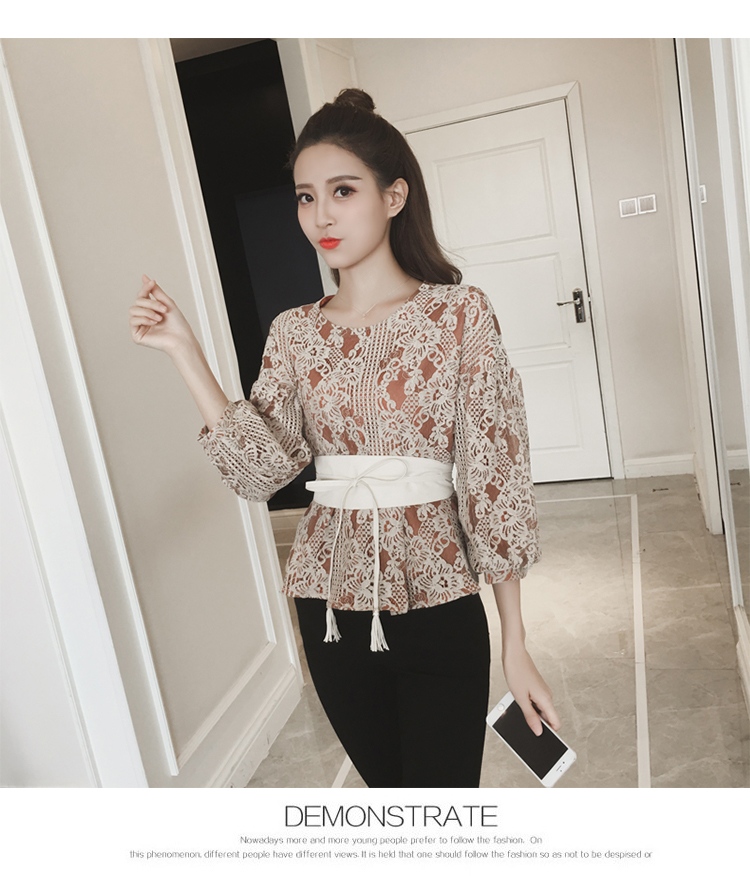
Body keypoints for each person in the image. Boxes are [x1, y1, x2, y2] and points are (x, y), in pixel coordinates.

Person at [128, 88, 560, 788]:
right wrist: (186, 351)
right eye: (305, 197)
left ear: (394, 197)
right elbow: (263, 473)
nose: (320, 215)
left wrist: (516, 641)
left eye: (342, 190)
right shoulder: (294, 332)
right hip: (328, 608)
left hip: (439, 599)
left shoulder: (459, 314)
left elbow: (495, 477)